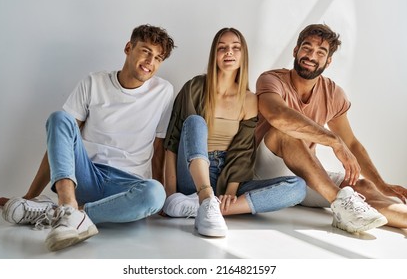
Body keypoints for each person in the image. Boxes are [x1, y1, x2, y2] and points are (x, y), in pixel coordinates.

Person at [0, 24, 176, 251]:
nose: (151, 61)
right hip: (87, 176)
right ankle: (68, 204)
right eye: (146, 51)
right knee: (60, 118)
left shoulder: (164, 91)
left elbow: (158, 150)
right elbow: (61, 140)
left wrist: (159, 200)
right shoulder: (94, 82)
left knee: (155, 193)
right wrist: (30, 195)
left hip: (127, 186)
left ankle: (66, 215)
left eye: (158, 58)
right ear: (129, 48)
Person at [254, 23, 407, 233]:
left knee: (362, 188)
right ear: (296, 51)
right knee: (284, 132)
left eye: (320, 52)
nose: (311, 56)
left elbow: (351, 142)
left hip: (305, 174)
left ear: (328, 61)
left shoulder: (333, 94)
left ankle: (370, 211)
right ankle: (341, 204)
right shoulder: (272, 79)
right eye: (306, 48)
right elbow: (278, 116)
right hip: (265, 171)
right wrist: (334, 141)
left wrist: (381, 184)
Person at [162, 27, 306, 237]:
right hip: (194, 173)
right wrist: (170, 196)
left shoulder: (249, 99)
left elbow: (243, 152)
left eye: (235, 48)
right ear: (215, 55)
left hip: (229, 175)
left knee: (298, 187)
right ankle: (204, 198)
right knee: (195, 121)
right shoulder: (193, 87)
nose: (229, 52)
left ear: (243, 55)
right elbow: (172, 144)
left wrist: (230, 192)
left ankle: (210, 207)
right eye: (222, 48)